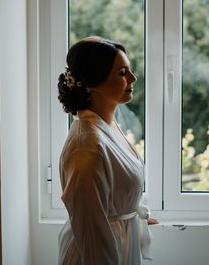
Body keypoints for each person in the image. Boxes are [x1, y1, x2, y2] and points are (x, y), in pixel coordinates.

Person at [57, 36, 158, 265]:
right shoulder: (87, 148)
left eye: (129, 71)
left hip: (121, 242)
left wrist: (131, 214)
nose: (132, 78)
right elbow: (92, 233)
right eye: (122, 73)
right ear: (93, 82)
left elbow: (111, 194)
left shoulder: (107, 127)